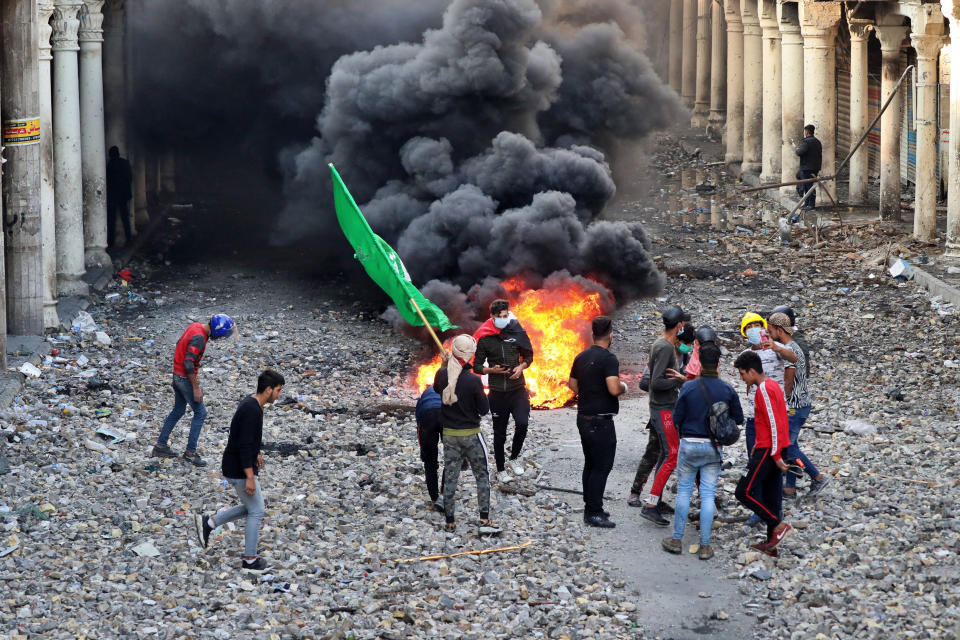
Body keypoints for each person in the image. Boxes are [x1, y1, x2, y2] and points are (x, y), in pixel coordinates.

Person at [194, 369, 285, 574]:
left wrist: (256, 453)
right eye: (278, 390)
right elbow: (243, 444)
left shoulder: (252, 403)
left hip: (235, 464)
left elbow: (244, 438)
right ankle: (250, 560)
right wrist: (250, 477)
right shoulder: (252, 410)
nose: (279, 395)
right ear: (268, 389)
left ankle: (209, 523)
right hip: (238, 469)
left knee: (252, 507)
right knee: (256, 511)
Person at [661, 343, 743, 560]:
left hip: (689, 444)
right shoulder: (727, 389)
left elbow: (677, 419)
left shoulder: (688, 387)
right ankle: (705, 546)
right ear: (718, 364)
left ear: (698, 364)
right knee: (707, 494)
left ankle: (676, 540)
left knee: (685, 491)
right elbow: (739, 419)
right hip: (712, 447)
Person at [435, 335, 499, 534]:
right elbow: (484, 410)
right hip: (471, 435)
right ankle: (484, 518)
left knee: (451, 477)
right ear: (470, 355)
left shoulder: (441, 375)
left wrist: (444, 364)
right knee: (482, 475)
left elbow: (439, 389)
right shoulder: (473, 380)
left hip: (449, 436)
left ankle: (450, 521)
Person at [152, 314, 236, 466]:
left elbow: (179, 345)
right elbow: (189, 363)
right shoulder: (200, 337)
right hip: (184, 378)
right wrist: (196, 388)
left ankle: (160, 446)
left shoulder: (196, 326)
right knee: (201, 412)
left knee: (178, 410)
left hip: (177, 375)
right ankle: (190, 453)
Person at [569, 316, 627, 528]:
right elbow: (613, 388)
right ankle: (593, 512)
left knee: (591, 463)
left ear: (593, 335)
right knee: (602, 466)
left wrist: (589, 393)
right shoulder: (609, 359)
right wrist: (624, 388)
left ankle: (592, 505)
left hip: (583, 417)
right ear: (611, 335)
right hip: (600, 421)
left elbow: (572, 385)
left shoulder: (581, 356)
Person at [733, 351, 792, 557]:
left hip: (769, 450)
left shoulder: (764, 389)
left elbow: (774, 423)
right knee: (771, 495)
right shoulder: (773, 385)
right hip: (772, 447)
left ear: (751, 371)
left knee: (743, 491)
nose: (742, 379)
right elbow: (776, 421)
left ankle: (777, 525)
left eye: (742, 374)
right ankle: (771, 544)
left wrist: (775, 454)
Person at [766, 313, 830, 500]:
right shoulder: (793, 346)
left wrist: (780, 403)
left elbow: (788, 381)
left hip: (794, 406)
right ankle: (790, 489)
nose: (770, 335)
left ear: (779, 330)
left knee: (787, 447)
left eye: (771, 331)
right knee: (791, 444)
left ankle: (817, 477)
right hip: (801, 404)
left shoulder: (788, 349)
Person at [640, 305, 690, 526]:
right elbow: (656, 382)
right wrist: (679, 380)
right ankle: (650, 505)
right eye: (683, 324)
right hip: (663, 409)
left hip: (665, 407)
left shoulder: (664, 345)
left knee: (664, 454)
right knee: (672, 454)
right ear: (679, 325)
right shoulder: (665, 348)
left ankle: (656, 499)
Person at [473, 299, 534, 480]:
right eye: (499, 317)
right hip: (497, 392)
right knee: (499, 432)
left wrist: (521, 367)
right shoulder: (485, 337)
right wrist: (491, 370)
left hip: (518, 390)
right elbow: (476, 366)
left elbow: (529, 355)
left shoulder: (516, 331)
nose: (503, 319)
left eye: (506, 316)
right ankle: (500, 470)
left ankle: (514, 458)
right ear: (492, 316)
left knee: (522, 424)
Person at [415, 383, 444, 512]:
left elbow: (419, 421)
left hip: (427, 416)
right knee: (451, 458)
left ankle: (435, 498)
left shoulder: (425, 394)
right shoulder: (451, 389)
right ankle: (445, 492)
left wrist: (424, 451)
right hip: (446, 415)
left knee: (430, 463)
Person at [106, 146, 133, 248]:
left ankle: (111, 241)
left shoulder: (110, 165)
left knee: (111, 219)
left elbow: (108, 180)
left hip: (113, 195)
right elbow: (130, 177)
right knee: (125, 217)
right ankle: (129, 238)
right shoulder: (125, 163)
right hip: (124, 194)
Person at [795, 124, 822, 210]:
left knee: (808, 186)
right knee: (809, 186)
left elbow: (800, 152)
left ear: (806, 132)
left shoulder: (807, 142)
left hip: (807, 168)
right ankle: (807, 204)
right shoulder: (817, 142)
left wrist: (797, 150)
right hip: (815, 167)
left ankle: (810, 204)